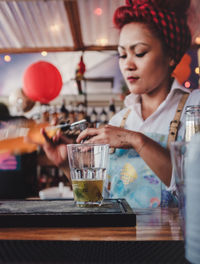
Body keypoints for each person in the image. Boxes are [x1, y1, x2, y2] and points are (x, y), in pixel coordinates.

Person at [41, 0, 200, 209]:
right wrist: (67, 165)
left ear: (171, 56)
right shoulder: (119, 120)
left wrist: (134, 139)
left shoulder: (194, 106)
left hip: (169, 242)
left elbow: (193, 185)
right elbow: (103, 198)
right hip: (120, 240)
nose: (128, 64)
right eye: (123, 54)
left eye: (140, 52)